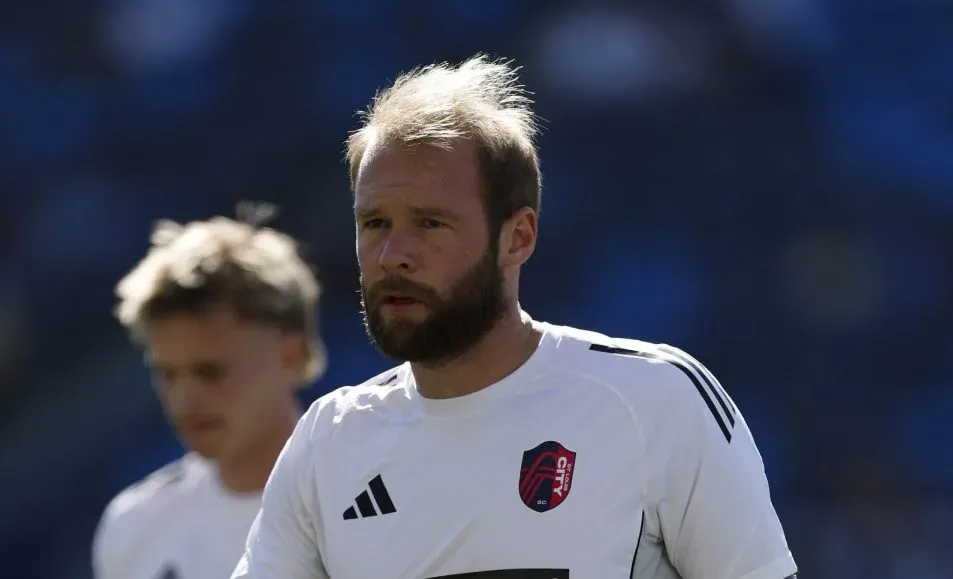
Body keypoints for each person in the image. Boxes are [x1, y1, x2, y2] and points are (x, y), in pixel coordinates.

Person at [233, 56, 798, 579]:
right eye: (375, 223)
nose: (392, 255)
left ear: (518, 237)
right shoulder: (329, 443)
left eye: (430, 223)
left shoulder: (652, 400)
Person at [92, 207, 326, 579]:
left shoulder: (369, 500)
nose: (184, 400)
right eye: (167, 374)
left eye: (211, 372)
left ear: (290, 357)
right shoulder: (133, 529)